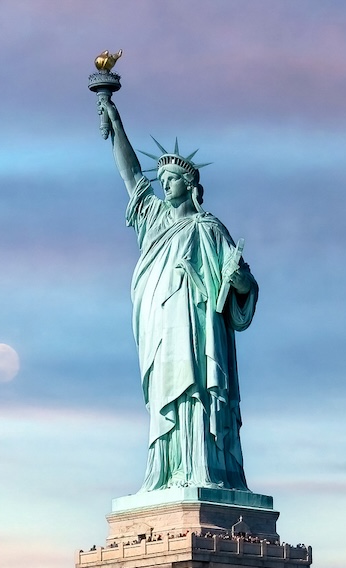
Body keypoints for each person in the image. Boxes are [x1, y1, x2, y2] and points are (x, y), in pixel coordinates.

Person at [96, 88, 259, 495]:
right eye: (162, 180)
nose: (164, 185)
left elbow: (243, 286)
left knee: (199, 391)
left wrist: (238, 282)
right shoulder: (152, 220)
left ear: (189, 185)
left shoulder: (209, 229)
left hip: (200, 327)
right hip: (161, 328)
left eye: (171, 180)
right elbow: (131, 176)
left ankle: (203, 468)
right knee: (166, 394)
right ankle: (167, 472)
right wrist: (116, 124)